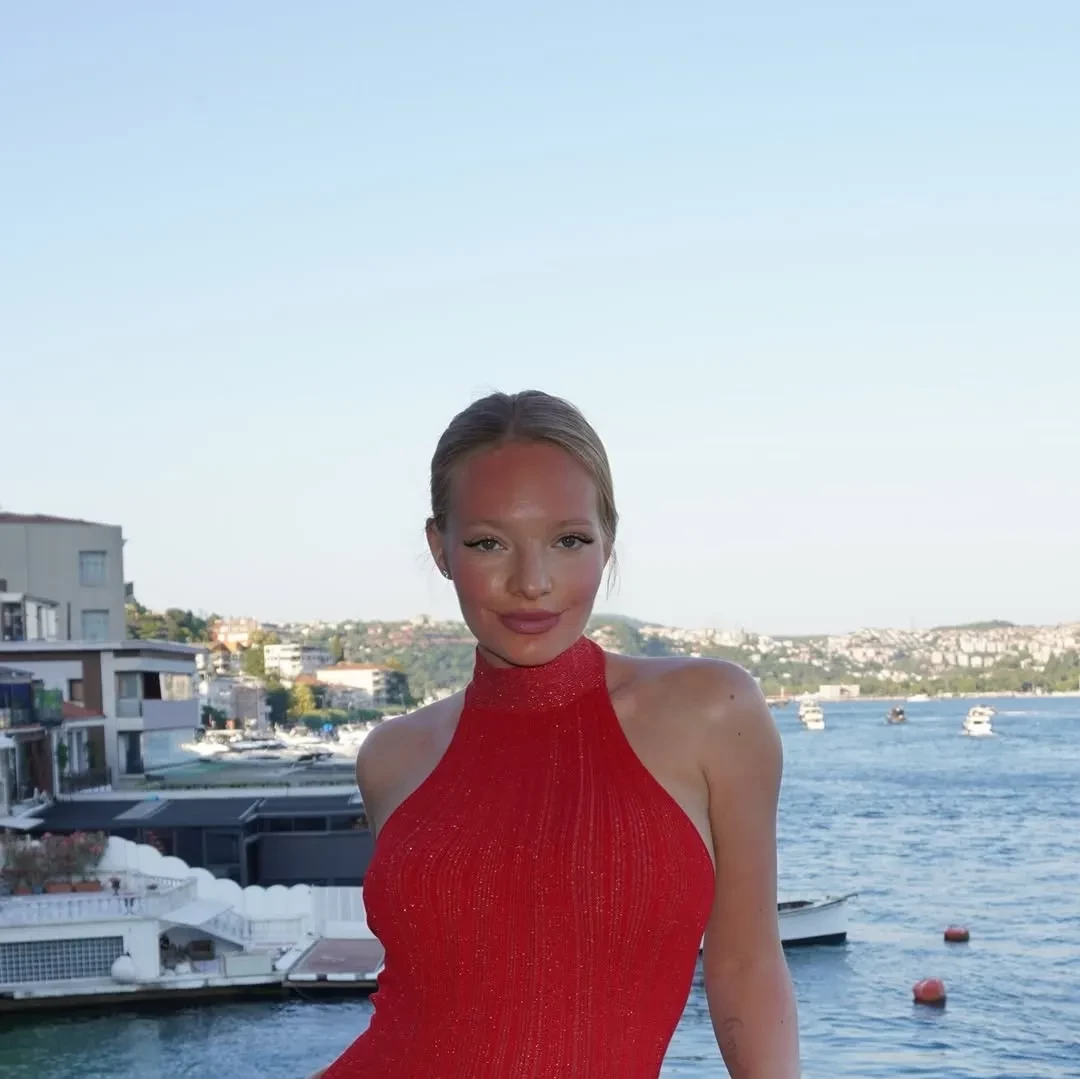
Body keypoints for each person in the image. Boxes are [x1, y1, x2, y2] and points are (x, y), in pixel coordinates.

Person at [313, 390, 799, 1078]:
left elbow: (747, 963)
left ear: (608, 541)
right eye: (488, 543)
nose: (532, 582)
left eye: (569, 540)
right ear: (440, 548)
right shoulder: (392, 756)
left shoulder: (711, 710)